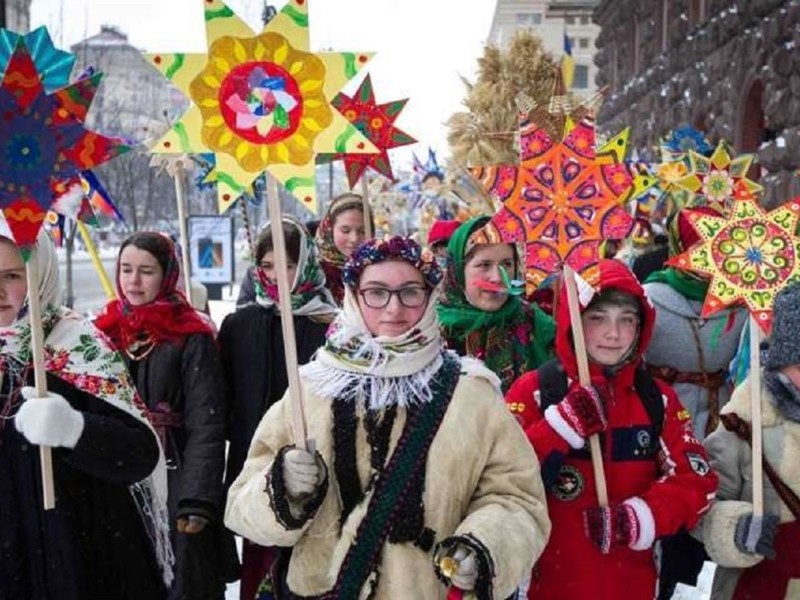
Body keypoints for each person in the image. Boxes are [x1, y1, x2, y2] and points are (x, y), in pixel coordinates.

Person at [225, 236, 551, 598]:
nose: (393, 310)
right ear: (353, 295)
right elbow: (241, 505)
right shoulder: (312, 388)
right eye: (376, 292)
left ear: (430, 297)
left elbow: (517, 499)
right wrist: (283, 487)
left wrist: (484, 544)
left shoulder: (471, 393)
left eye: (410, 292)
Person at [505, 259, 718, 599]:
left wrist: (640, 518)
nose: (613, 334)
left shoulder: (656, 400)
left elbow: (696, 482)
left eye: (627, 320)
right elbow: (503, 479)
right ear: (573, 322)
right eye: (597, 318)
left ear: (642, 327)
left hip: (633, 585)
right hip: (548, 584)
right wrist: (559, 428)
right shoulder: (535, 392)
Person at [1, 224, 170, 599]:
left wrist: (75, 430)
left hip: (76, 553)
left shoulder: (76, 344)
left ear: (39, 273)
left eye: (12, 276)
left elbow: (139, 453)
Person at [96, 232, 231, 600]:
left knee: (182, 578)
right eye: (126, 270)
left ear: (167, 274)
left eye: (146, 271)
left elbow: (207, 422)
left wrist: (198, 498)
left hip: (176, 474)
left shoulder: (191, 335)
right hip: (124, 476)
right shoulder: (105, 332)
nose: (134, 281)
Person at [218, 217, 337, 600]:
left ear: (305, 263)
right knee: (263, 556)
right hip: (258, 463)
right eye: (268, 266)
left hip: (318, 462)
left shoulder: (331, 326)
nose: (277, 275)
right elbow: (225, 398)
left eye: (287, 264)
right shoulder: (240, 324)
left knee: (312, 562)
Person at [644, 206, 747, 598]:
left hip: (722, 422)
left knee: (713, 507)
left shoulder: (741, 301)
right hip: (663, 424)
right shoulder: (650, 297)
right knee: (668, 512)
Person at [701, 281, 800, 599]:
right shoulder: (745, 420)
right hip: (760, 584)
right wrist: (736, 529)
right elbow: (703, 504)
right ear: (780, 361)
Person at [437, 216, 554, 392]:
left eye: (507, 264)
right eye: (484, 265)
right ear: (458, 271)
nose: (497, 278)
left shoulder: (537, 324)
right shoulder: (431, 331)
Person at [315, 192, 370, 305]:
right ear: (329, 230)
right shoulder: (314, 275)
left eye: (362, 231)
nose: (354, 239)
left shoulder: (381, 269)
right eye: (345, 230)